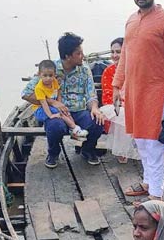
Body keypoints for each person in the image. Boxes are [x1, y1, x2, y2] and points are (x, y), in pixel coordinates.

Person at [112, 0, 164, 200]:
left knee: (154, 145)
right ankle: (147, 181)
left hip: (156, 93)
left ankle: (156, 197)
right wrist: (116, 86)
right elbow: (125, 54)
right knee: (140, 140)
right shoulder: (131, 20)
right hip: (134, 93)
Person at [22, 33, 106, 167]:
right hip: (57, 113)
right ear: (67, 56)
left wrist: (95, 108)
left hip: (79, 111)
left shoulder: (84, 70)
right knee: (55, 125)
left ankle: (88, 149)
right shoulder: (49, 70)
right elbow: (26, 94)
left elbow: (91, 95)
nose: (83, 56)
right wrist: (52, 102)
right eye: (78, 53)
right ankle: (53, 153)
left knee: (98, 121)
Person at [100, 37, 139, 164]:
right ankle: (122, 150)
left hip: (133, 107)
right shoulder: (108, 71)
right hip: (113, 107)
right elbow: (107, 97)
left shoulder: (136, 70)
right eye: (112, 52)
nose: (114, 55)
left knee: (130, 112)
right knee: (122, 113)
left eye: (118, 52)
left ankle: (126, 148)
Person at [31, 59, 89, 140]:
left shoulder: (54, 81)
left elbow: (58, 93)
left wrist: (60, 105)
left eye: (50, 75)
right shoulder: (39, 88)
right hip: (40, 110)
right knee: (60, 113)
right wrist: (51, 115)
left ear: (54, 74)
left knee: (65, 111)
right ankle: (75, 128)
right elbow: (43, 103)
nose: (48, 78)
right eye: (45, 75)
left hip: (50, 106)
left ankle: (73, 130)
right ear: (40, 75)